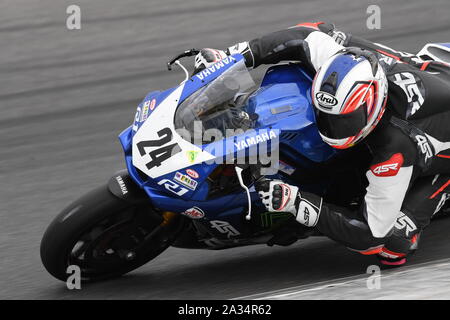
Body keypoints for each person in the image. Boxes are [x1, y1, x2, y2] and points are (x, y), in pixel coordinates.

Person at [194, 22, 450, 266]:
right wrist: (230, 57)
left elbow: (371, 235)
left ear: (371, 105)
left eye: (345, 120)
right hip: (432, 71)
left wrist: (295, 201)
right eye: (327, 116)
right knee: (320, 32)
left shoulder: (396, 148)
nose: (332, 127)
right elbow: (306, 35)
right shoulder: (344, 61)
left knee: (392, 244)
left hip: (438, 157)